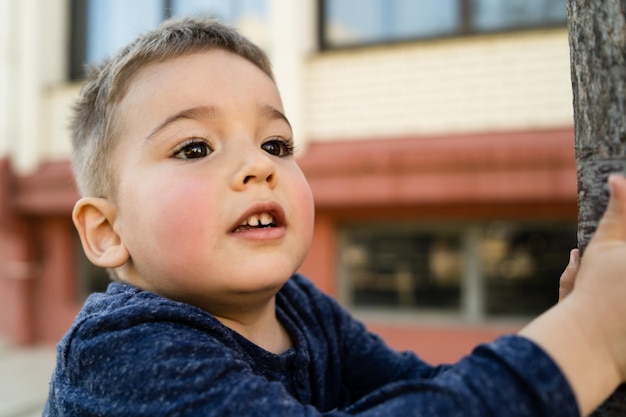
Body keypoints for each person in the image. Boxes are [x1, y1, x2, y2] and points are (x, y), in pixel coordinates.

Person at [44, 17, 626, 417]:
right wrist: (588, 341)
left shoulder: (300, 307)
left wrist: (574, 323)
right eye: (195, 148)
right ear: (108, 231)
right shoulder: (121, 351)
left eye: (276, 144)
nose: (257, 166)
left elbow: (425, 394)